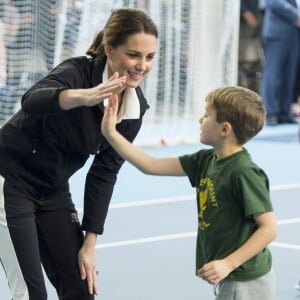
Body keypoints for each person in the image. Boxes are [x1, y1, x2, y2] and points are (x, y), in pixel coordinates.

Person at [0, 7, 158, 300]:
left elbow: (104, 172)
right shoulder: (78, 72)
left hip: (52, 189)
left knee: (80, 288)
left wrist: (90, 242)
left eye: (149, 57)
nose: (142, 65)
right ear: (109, 49)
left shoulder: (134, 110)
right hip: (9, 178)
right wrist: (86, 96)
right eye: (134, 55)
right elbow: (31, 101)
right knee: (30, 294)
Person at [101, 86, 278, 300]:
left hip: (246, 281)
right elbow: (151, 164)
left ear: (224, 129)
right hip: (233, 278)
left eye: (206, 115)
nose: (200, 120)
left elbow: (269, 228)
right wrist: (111, 133)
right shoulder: (206, 160)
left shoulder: (244, 172)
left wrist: (227, 263)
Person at [261, 0, 300, 126]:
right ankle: (270, 112)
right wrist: (296, 16)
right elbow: (274, 2)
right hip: (277, 32)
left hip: (294, 34)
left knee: (290, 75)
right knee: (272, 73)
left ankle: (285, 112)